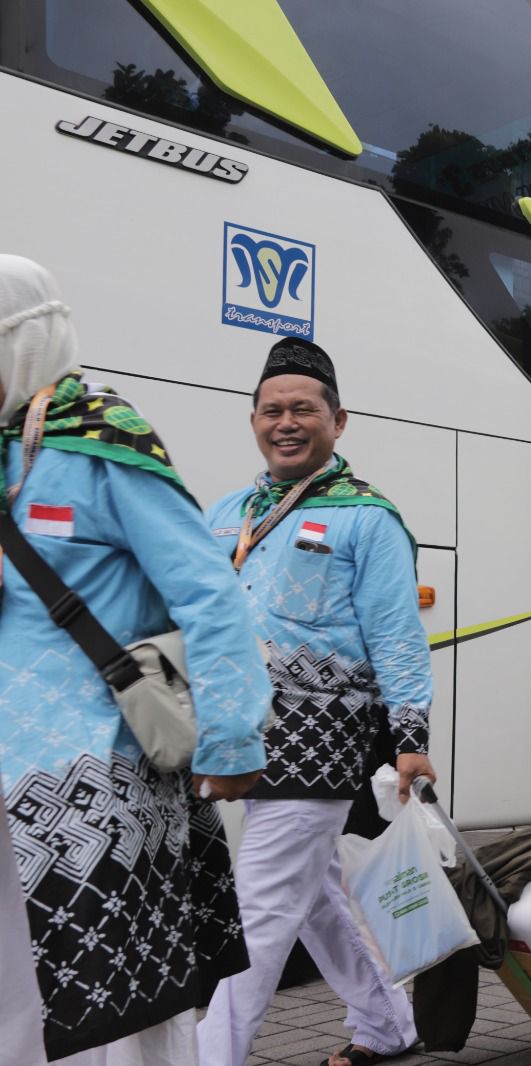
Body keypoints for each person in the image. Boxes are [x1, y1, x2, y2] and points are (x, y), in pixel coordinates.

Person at [0, 256, 272, 1064]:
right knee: (19, 1007)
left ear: (22, 341)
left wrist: (231, 738)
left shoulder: (105, 443)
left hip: (100, 780)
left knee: (122, 1018)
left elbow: (211, 597)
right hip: (7, 783)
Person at [196, 340, 436, 1066]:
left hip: (320, 740)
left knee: (261, 908)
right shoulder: (228, 512)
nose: (286, 423)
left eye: (303, 409)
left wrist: (411, 737)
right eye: (272, 410)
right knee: (317, 897)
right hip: (239, 736)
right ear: (253, 421)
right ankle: (388, 1024)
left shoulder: (368, 517)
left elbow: (398, 637)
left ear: (339, 420)